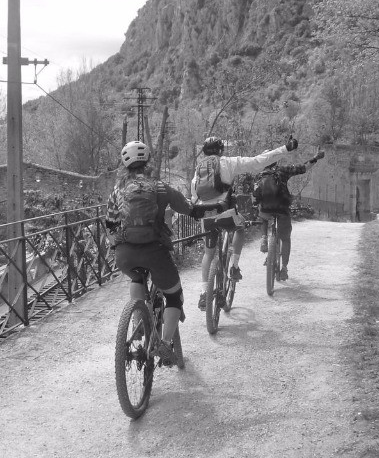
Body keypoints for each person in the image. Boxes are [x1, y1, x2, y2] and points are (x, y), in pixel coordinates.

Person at [105, 140, 218, 365]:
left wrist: (116, 244)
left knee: (136, 275)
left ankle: (138, 320)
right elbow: (190, 209)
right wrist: (211, 210)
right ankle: (165, 344)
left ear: (125, 165)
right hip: (155, 252)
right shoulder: (159, 187)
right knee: (174, 296)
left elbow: (110, 224)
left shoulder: (117, 190)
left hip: (125, 254)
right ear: (148, 162)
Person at [192, 135, 299, 310]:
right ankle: (234, 267)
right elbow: (258, 161)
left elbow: (194, 195)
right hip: (224, 212)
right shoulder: (228, 162)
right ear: (221, 150)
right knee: (240, 228)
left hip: (205, 214)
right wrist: (285, 148)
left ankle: (204, 293)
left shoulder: (199, 169)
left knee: (208, 253)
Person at [253, 151, 325, 281]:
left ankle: (264, 237)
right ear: (275, 161)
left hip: (266, 209)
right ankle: (284, 268)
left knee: (262, 215)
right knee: (285, 239)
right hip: (282, 209)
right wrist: (315, 158)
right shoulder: (282, 170)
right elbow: (303, 168)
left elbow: (255, 196)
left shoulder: (259, 175)